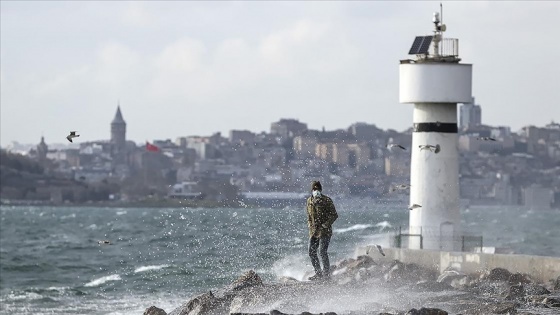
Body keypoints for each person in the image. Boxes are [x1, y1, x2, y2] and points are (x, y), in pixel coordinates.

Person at [306, 180, 338, 280]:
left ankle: (326, 274)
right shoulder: (309, 201)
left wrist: (325, 225)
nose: (316, 191)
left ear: (321, 190)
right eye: (314, 189)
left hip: (325, 231)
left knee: (322, 252)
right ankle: (318, 273)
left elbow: (334, 215)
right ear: (312, 190)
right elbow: (309, 216)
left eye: (318, 189)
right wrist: (310, 225)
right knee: (311, 252)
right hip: (313, 232)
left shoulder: (327, 200)